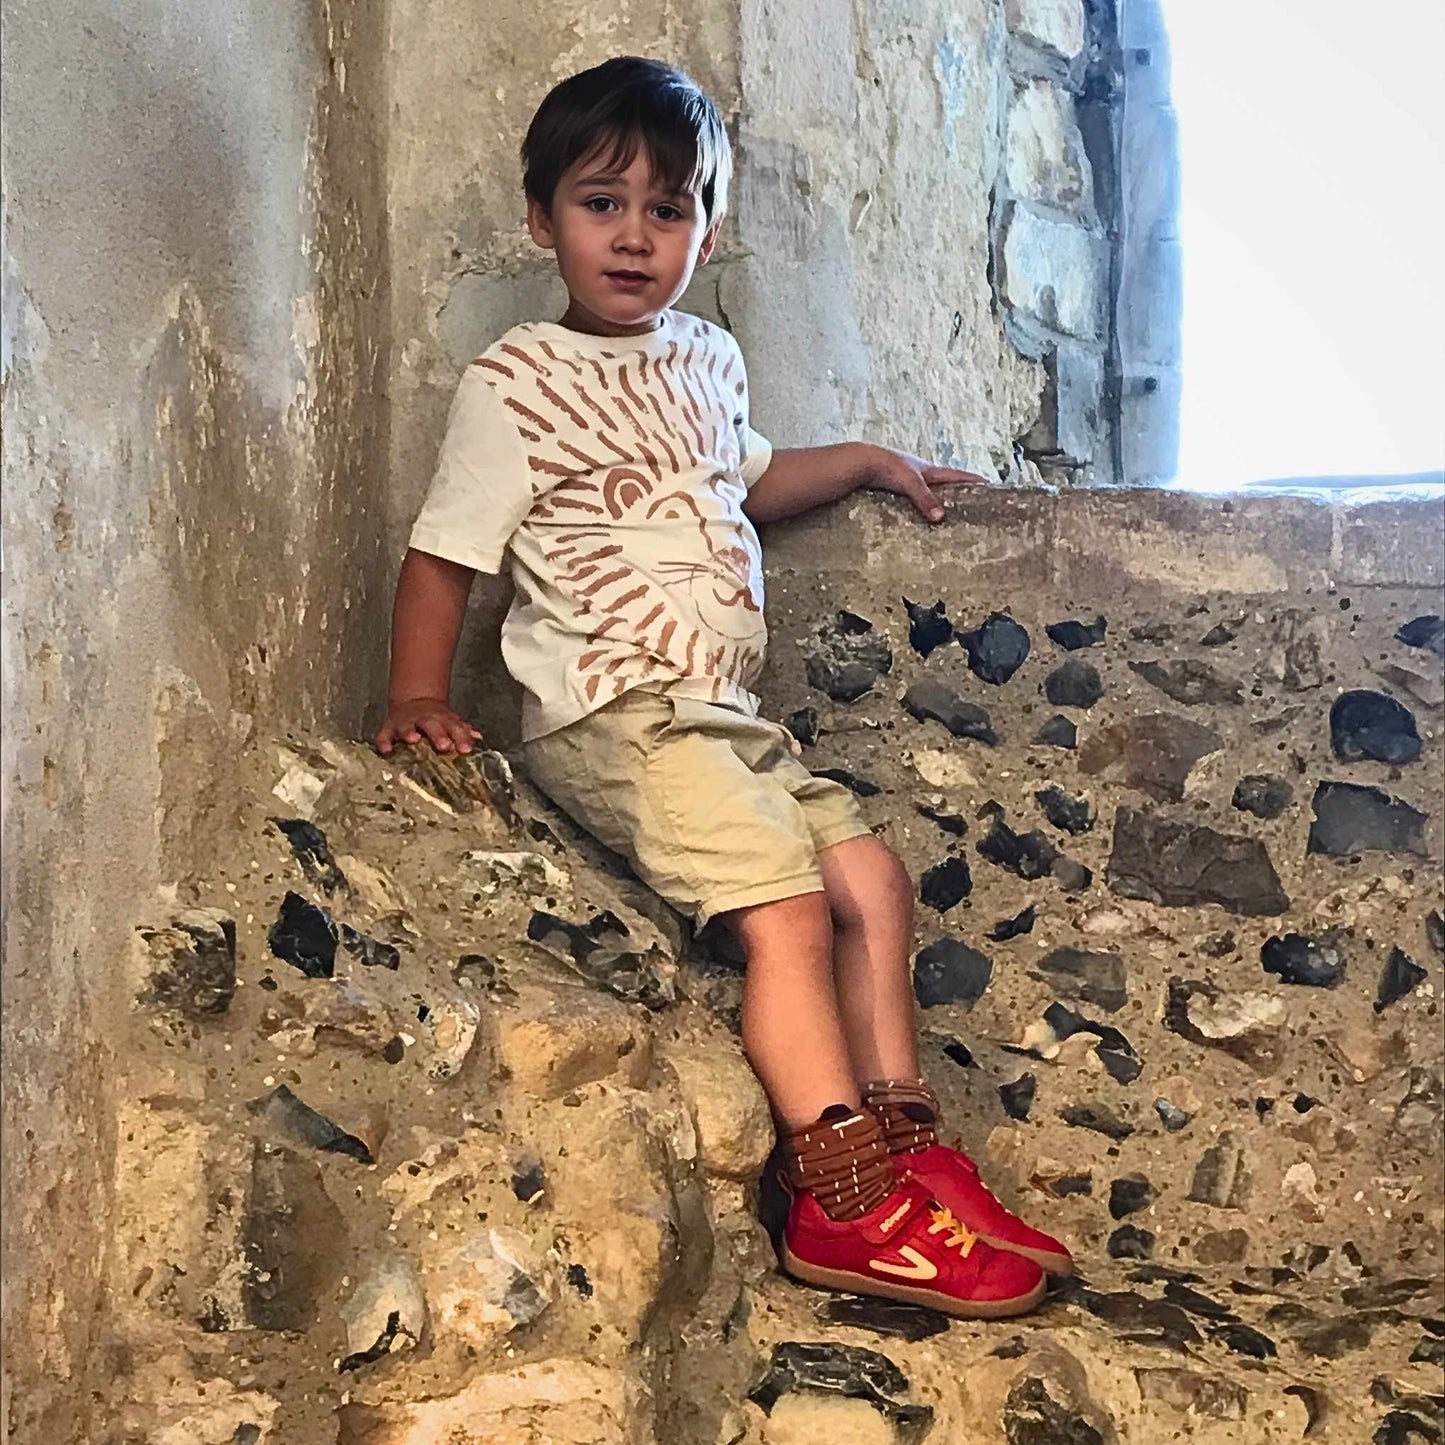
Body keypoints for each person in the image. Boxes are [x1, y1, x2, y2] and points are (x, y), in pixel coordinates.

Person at [376, 55, 1072, 1318]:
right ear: (541, 219)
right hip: (618, 710)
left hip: (723, 720)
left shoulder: (705, 356)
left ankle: (905, 1140)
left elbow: (738, 479)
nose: (636, 236)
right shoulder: (514, 383)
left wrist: (863, 457)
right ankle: (841, 1190)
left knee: (869, 877)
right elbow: (444, 553)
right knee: (787, 914)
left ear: (702, 226)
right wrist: (417, 689)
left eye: (669, 209)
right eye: (602, 203)